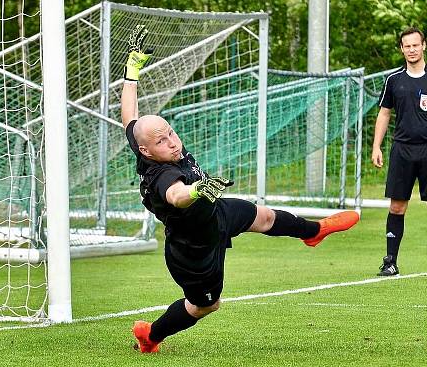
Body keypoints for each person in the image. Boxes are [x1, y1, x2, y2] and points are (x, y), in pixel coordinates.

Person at [121, 25, 360, 353]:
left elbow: (129, 119)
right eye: (162, 141)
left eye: (171, 133)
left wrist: (132, 72)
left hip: (216, 213)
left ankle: (314, 231)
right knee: (205, 306)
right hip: (194, 249)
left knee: (263, 217)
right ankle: (151, 337)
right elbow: (176, 195)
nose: (173, 142)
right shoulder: (160, 174)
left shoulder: (144, 141)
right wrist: (199, 190)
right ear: (147, 152)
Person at [371, 27, 427, 277]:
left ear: (423, 46)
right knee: (397, 207)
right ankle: (390, 262)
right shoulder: (394, 80)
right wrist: (376, 146)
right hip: (402, 149)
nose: (411, 50)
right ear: (401, 49)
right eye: (406, 46)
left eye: (415, 45)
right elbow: (384, 113)